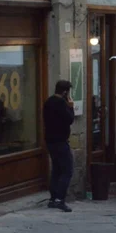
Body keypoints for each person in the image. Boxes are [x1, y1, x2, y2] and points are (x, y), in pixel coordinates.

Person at [44, 80, 75, 212]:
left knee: (56, 169)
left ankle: (52, 199)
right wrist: (71, 106)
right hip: (61, 141)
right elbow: (69, 119)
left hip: (50, 140)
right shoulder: (62, 103)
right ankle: (59, 199)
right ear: (65, 92)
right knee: (67, 170)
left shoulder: (48, 102)